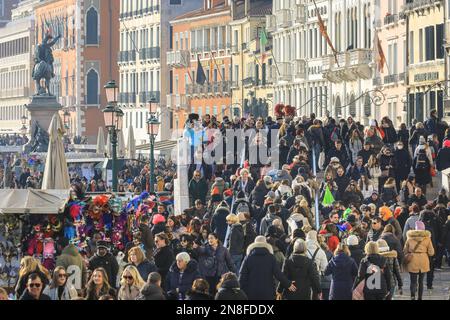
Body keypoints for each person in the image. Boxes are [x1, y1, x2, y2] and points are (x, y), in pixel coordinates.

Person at [403, 221, 435, 300]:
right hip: (423, 260)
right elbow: (431, 252)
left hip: (412, 260)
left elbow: (405, 251)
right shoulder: (427, 238)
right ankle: (420, 298)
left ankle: (412, 296)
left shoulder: (410, 238)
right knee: (421, 281)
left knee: (413, 281)